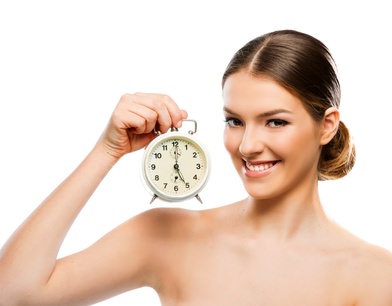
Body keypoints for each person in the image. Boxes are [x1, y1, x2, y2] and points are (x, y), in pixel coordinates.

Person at [1, 29, 392, 306]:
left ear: (326, 125)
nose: (247, 145)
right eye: (235, 120)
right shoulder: (167, 236)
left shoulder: (376, 275)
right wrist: (106, 151)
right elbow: (15, 295)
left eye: (275, 121)